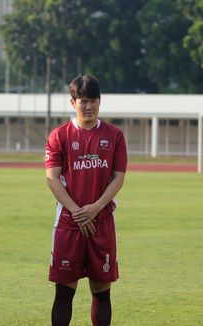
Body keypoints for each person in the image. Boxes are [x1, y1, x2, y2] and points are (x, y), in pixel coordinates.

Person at [45, 75, 127, 326]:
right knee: (64, 292)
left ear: (100, 102)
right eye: (83, 101)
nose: (88, 106)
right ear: (72, 103)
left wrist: (94, 208)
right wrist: (77, 212)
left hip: (101, 221)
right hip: (69, 223)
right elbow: (52, 178)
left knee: (102, 291)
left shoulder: (114, 135)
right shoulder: (60, 135)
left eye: (93, 101)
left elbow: (118, 178)